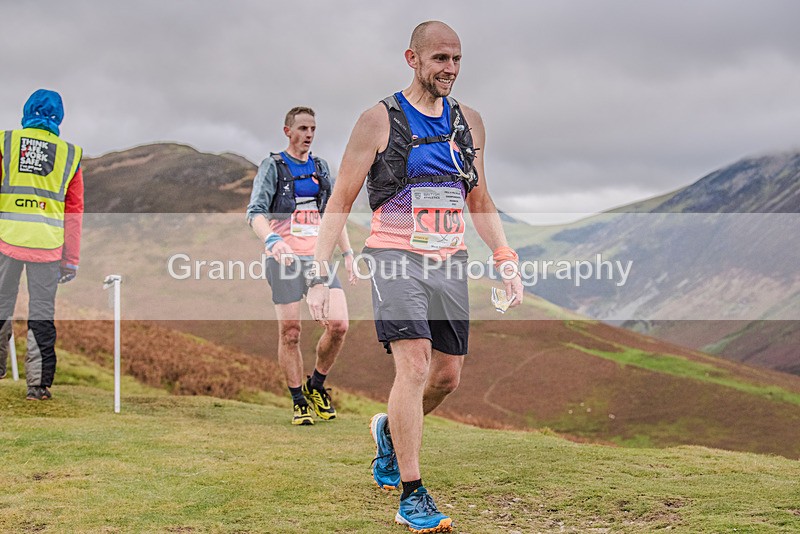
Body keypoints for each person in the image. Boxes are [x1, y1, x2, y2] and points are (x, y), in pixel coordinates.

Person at [307, 21, 523, 533]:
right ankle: (412, 493)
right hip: (393, 256)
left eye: (457, 60)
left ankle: (389, 430)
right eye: (440, 59)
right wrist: (318, 272)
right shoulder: (377, 121)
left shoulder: (469, 123)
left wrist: (504, 256)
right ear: (413, 59)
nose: (450, 69)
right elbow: (339, 200)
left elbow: (480, 199)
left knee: (447, 378)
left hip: (448, 261)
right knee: (415, 365)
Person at [246, 106, 355, 426]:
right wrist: (272, 242)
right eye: (303, 128)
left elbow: (333, 216)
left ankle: (316, 386)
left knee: (339, 325)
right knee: (291, 332)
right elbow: (255, 213)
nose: (308, 135)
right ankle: (298, 401)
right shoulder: (273, 166)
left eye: (313, 129)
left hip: (318, 258)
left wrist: (348, 254)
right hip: (284, 260)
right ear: (288, 131)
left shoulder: (321, 167)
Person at [0, 89, 84, 400]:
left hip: (6, 240)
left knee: (0, 304)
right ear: (59, 118)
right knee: (41, 314)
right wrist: (71, 258)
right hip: (48, 246)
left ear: (26, 110)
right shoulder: (70, 154)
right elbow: (74, 211)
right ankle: (37, 386)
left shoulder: (5, 142)